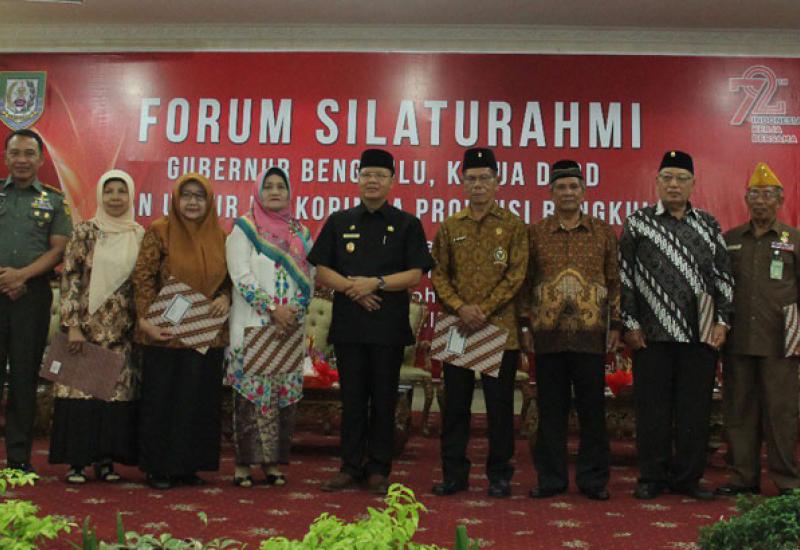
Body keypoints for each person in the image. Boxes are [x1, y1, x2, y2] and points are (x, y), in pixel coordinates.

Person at [307, 148, 433, 495]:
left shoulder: (407, 223)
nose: (372, 181)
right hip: (350, 326)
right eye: (366, 175)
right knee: (351, 398)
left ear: (391, 181)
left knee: (383, 399)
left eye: (379, 175)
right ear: (358, 179)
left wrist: (375, 283)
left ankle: (378, 468)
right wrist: (353, 287)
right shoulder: (339, 221)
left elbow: (414, 275)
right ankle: (349, 466)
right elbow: (320, 270)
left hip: (387, 328)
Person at [619, 150, 734, 501]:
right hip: (651, 335)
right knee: (651, 409)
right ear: (656, 182)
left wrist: (723, 322)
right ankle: (651, 477)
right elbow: (624, 277)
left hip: (698, 335)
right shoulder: (638, 223)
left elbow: (723, 277)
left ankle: (687, 478)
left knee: (694, 410)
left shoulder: (709, 225)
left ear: (693, 184)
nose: (673, 184)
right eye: (667, 177)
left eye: (681, 178)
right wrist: (630, 322)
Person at [430, 147, 528, 498]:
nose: (478, 184)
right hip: (458, 328)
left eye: (485, 178)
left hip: (498, 328)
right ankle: (454, 475)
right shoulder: (451, 226)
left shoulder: (514, 226)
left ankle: (499, 476)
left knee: (500, 409)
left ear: (498, 182)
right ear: (462, 182)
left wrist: (482, 309)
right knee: (455, 407)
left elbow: (517, 276)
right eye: (471, 178)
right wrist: (460, 307)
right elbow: (438, 274)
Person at [523, 160, 620, 501]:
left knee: (592, 411)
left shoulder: (603, 232)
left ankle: (593, 480)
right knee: (551, 411)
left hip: (591, 337)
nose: (567, 192)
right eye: (561, 187)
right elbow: (526, 282)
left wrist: (616, 326)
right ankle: (551, 478)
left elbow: (614, 282)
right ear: (550, 192)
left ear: (583, 191)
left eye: (573, 187)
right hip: (547, 337)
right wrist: (526, 325)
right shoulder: (535, 233)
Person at [132, 172, 231, 490]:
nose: (192, 201)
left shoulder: (220, 235)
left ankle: (189, 465)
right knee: (163, 399)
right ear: (175, 198)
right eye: (186, 195)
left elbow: (229, 279)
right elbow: (143, 276)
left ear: (209, 201)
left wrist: (225, 297)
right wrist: (145, 319)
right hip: (165, 330)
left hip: (205, 332)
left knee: (198, 400)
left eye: (199, 196)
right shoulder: (159, 231)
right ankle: (158, 467)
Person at [48, 170, 144, 483]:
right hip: (86, 329)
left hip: (122, 331)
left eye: (121, 191)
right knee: (81, 395)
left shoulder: (139, 235)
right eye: (109, 191)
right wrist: (72, 324)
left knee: (113, 400)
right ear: (101, 196)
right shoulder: (86, 232)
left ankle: (105, 462)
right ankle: (77, 462)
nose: (115, 198)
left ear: (130, 196)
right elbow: (71, 278)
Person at [226, 167, 314, 488]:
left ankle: (273, 465)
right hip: (253, 325)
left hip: (287, 330)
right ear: (258, 191)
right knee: (250, 400)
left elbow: (309, 281)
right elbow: (241, 276)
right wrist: (273, 309)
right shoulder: (244, 229)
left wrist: (293, 313)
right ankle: (243, 467)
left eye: (281, 186)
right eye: (269, 187)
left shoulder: (301, 234)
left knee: (281, 401)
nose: (275, 192)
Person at [716, 162, 800, 497]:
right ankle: (742, 479)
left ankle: (787, 481)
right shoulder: (731, 238)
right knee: (739, 412)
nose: (761, 201)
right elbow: (718, 287)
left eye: (768, 195)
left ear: (780, 200)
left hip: (782, 343)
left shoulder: (791, 239)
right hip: (738, 341)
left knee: (782, 414)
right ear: (746, 199)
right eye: (755, 194)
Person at [0, 129, 72, 472]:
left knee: (25, 378)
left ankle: (18, 461)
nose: (22, 160)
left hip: (32, 296)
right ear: (6, 157)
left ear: (41, 159)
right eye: (16, 153)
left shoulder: (54, 200)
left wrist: (22, 276)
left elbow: (58, 248)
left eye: (29, 153)